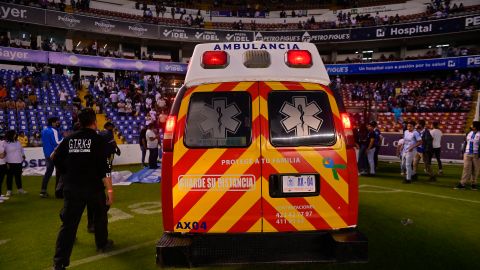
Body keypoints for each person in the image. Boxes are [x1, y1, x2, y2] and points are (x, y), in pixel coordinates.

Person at [52, 108, 114, 270]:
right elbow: (105, 167)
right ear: (94, 121)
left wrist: (66, 172)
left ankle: (59, 262)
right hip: (94, 188)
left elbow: (54, 158)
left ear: (79, 122)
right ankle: (102, 243)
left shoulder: (69, 139)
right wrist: (110, 190)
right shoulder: (99, 140)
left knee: (68, 226)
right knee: (100, 216)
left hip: (72, 188)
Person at [87, 122, 120, 233]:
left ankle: (91, 224)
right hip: (96, 181)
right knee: (107, 172)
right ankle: (97, 229)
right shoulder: (106, 134)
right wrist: (110, 190)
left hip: (83, 181)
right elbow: (106, 173)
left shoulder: (98, 135)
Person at [41, 117, 63, 198]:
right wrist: (65, 138)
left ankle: (43, 191)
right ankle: (59, 191)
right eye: (57, 122)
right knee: (61, 173)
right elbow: (57, 142)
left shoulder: (44, 130)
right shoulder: (54, 130)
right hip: (54, 154)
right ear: (53, 123)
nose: (58, 123)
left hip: (47, 154)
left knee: (48, 172)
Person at [455, 121, 480, 190]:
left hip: (476, 154)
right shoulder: (469, 133)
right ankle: (462, 183)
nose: (471, 126)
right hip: (467, 153)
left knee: (475, 170)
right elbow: (465, 142)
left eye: (472, 125)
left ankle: (473, 184)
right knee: (466, 169)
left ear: (475, 127)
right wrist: (462, 151)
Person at [4, 130, 27, 196]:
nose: (15, 135)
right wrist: (6, 162)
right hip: (10, 162)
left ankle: (20, 189)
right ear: (11, 135)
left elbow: (21, 149)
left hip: (18, 161)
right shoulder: (6, 143)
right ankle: (9, 190)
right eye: (14, 134)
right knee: (9, 177)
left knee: (18, 176)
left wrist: (23, 155)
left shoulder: (17, 142)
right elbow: (3, 152)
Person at [0, 132, 9, 203]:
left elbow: (5, 152)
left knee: (1, 179)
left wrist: (4, 153)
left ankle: (0, 195)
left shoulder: (2, 143)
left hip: (3, 163)